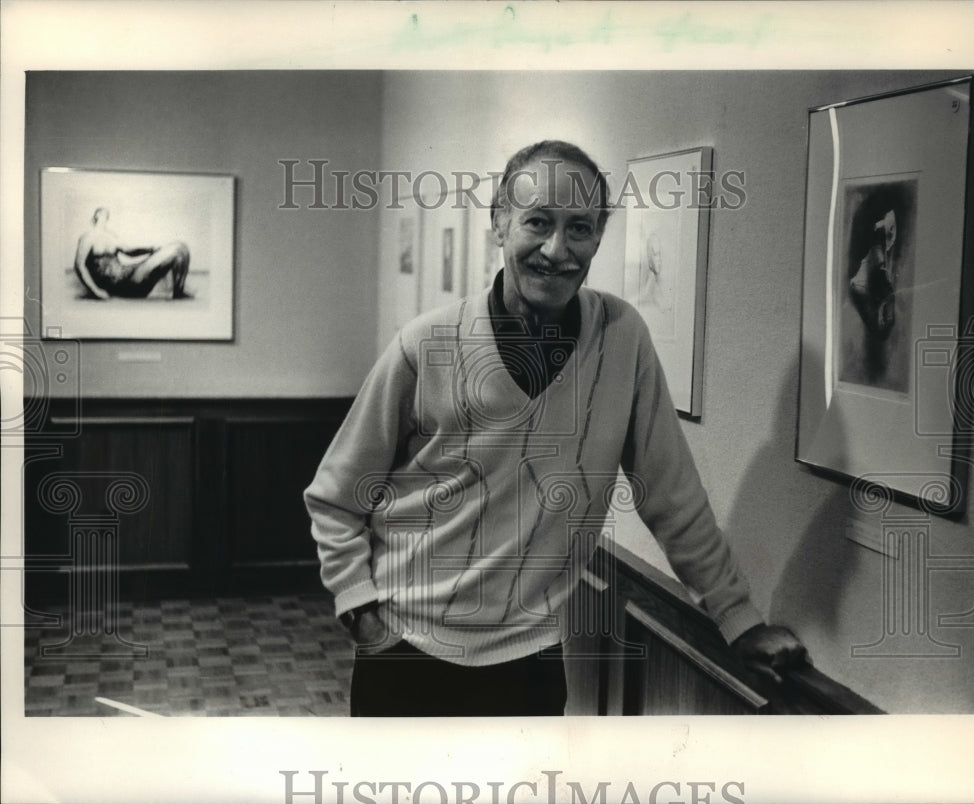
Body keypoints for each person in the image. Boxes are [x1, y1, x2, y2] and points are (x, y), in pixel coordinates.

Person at [304, 140, 806, 717]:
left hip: (530, 661)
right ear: (499, 222)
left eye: (580, 229)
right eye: (538, 222)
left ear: (599, 237)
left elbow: (672, 496)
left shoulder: (622, 337)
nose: (556, 250)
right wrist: (361, 613)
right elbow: (335, 497)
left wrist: (738, 619)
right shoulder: (426, 345)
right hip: (407, 654)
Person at [74, 207, 191, 300]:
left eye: (106, 214)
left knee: (182, 249)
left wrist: (150, 249)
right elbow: (79, 265)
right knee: (177, 249)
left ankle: (178, 293)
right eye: (101, 213)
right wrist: (96, 291)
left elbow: (129, 251)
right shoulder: (87, 237)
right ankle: (178, 294)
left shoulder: (111, 237)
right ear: (96, 216)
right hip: (125, 285)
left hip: (131, 275)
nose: (104, 215)